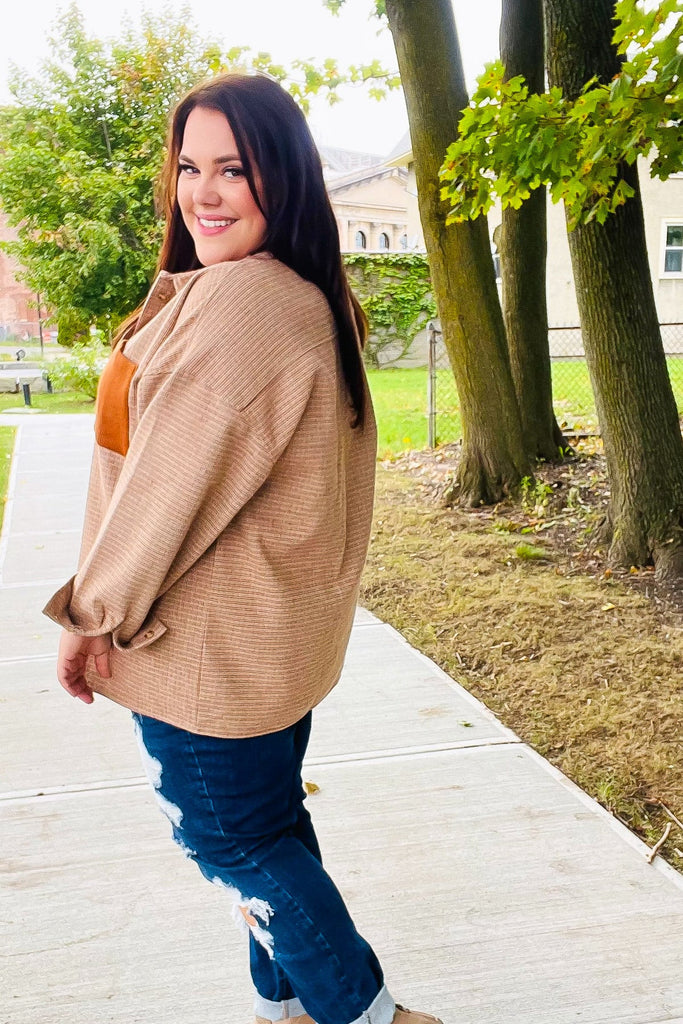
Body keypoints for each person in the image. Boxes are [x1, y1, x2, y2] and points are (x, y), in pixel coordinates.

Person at [43, 73, 443, 1024]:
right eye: (190, 168)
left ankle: (370, 1015)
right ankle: (287, 1009)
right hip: (255, 643)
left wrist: (91, 615)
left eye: (234, 168)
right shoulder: (288, 294)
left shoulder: (243, 306)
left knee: (231, 840)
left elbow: (165, 489)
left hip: (207, 649)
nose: (204, 192)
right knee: (270, 828)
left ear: (285, 177)